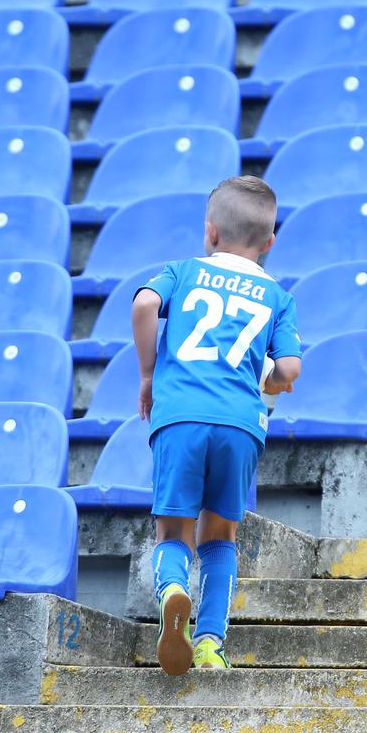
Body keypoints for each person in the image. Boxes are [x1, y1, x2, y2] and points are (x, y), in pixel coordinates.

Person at [131, 176, 302, 675]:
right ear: (269, 243)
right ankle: (209, 645)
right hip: (240, 424)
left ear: (210, 232)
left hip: (180, 414)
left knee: (173, 530)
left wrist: (148, 375)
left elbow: (144, 305)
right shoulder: (278, 297)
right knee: (220, 534)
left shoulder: (183, 272)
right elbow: (289, 369)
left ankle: (173, 590)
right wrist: (271, 380)